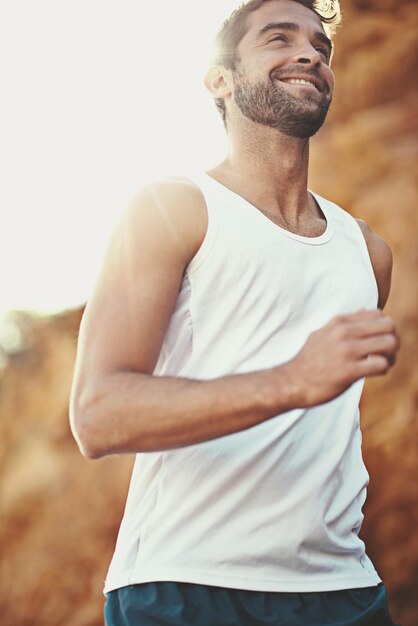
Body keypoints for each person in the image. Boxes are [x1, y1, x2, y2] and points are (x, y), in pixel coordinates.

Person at [70, 1, 401, 624]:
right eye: (279, 39)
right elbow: (99, 415)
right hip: (186, 586)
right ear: (219, 79)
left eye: (320, 49)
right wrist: (291, 380)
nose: (309, 55)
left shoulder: (368, 253)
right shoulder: (174, 207)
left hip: (344, 590)